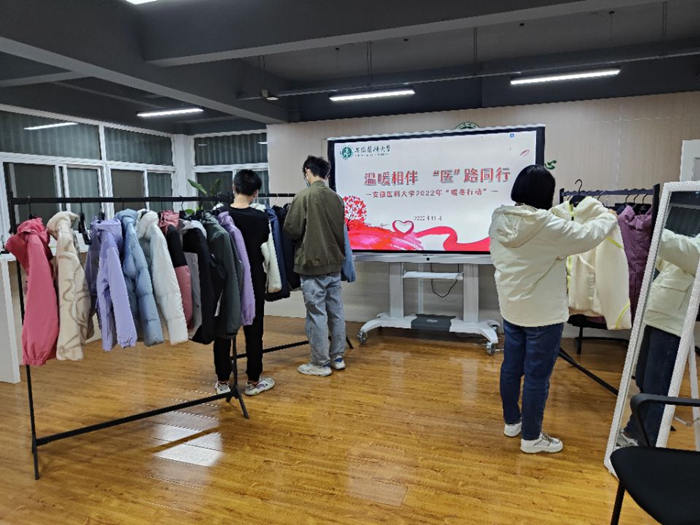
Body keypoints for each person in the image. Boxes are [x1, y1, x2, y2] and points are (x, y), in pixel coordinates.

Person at [489, 165, 617, 454]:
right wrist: (608, 217)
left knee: (511, 368)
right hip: (543, 316)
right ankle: (532, 438)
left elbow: (540, 229)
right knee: (537, 376)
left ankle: (512, 422)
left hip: (512, 309)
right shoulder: (548, 227)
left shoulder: (499, 219)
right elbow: (587, 236)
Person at [619, 229, 700, 447]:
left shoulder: (693, 249)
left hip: (673, 325)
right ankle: (634, 432)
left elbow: (687, 251)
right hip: (657, 316)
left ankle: (647, 443)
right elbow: (672, 259)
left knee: (657, 388)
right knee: (644, 380)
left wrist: (654, 228)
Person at [213, 170, 275, 396]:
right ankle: (253, 381)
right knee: (254, 329)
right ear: (256, 193)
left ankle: (222, 381)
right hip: (253, 277)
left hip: (226, 278)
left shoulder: (218, 215)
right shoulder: (260, 218)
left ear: (234, 187)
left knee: (223, 327)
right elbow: (263, 244)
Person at [284, 155, 347, 377]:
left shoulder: (304, 196)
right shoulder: (337, 198)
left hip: (312, 264)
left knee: (316, 314)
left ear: (308, 171)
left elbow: (291, 230)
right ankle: (337, 357)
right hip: (334, 264)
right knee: (336, 312)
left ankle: (320, 363)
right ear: (326, 174)